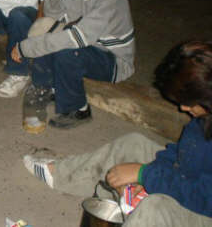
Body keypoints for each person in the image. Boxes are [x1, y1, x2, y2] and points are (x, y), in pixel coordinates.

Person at [24, 40, 212, 226]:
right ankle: (62, 175)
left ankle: (135, 213)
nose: (183, 108)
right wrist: (149, 176)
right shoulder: (205, 116)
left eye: (190, 101)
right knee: (133, 144)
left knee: (153, 208)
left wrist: (145, 175)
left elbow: (204, 198)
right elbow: (182, 153)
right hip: (190, 179)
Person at [12, 0, 135, 128]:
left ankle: (79, 109)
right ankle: (46, 87)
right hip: (91, 45)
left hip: (114, 60)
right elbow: (57, 15)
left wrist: (25, 48)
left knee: (67, 52)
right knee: (45, 27)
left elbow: (76, 38)